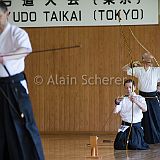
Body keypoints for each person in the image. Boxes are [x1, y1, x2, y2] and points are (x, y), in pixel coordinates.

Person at [0, 1, 44, 160]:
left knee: (22, 126)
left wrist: (6, 57)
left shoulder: (17, 33)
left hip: (14, 87)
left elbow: (25, 50)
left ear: (7, 14)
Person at [122, 52, 160, 144]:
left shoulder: (156, 70)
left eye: (150, 60)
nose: (149, 61)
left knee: (156, 118)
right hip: (142, 98)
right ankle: (143, 139)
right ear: (143, 60)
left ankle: (157, 138)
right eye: (147, 59)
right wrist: (133, 63)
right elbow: (124, 69)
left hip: (153, 98)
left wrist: (153, 60)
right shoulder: (138, 70)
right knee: (143, 119)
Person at [114, 79, 149, 150]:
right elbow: (115, 111)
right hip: (125, 126)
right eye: (126, 88)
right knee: (118, 145)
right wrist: (117, 102)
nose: (128, 89)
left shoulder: (140, 98)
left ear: (135, 87)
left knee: (134, 145)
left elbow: (145, 109)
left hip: (136, 126)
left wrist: (136, 101)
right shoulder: (122, 99)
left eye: (130, 87)